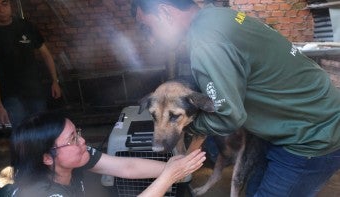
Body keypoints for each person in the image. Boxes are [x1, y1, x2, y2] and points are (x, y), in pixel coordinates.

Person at [131, 0, 340, 196]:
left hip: (312, 135)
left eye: (147, 28)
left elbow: (228, 116)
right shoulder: (215, 17)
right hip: (294, 124)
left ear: (165, 12)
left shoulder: (206, 42)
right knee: (253, 189)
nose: (150, 39)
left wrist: (186, 124)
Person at [7, 112, 206, 196]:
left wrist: (174, 168)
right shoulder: (45, 193)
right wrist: (168, 177)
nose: (82, 141)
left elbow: (125, 166)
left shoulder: (75, 156)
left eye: (77, 133)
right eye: (72, 139)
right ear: (47, 157)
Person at [0, 0, 61, 129]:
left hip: (34, 91)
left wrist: (55, 81)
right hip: (9, 95)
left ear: (10, 5)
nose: (1, 9)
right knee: (22, 132)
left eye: (4, 3)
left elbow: (46, 54)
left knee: (42, 130)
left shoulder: (25, 26)